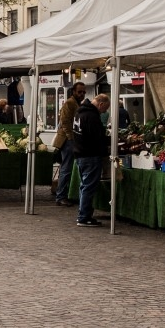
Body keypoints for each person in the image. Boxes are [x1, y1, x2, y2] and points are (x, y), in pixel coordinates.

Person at [72, 92, 109, 227]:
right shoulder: (92, 116)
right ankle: (84, 217)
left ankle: (83, 214)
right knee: (88, 186)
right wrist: (106, 148)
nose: (104, 112)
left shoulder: (79, 113)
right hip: (90, 155)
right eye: (105, 109)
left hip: (80, 154)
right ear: (101, 104)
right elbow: (97, 137)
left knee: (84, 185)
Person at [52, 81, 86, 206]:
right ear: (73, 92)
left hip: (70, 139)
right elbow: (65, 122)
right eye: (79, 92)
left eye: (83, 92)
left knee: (67, 168)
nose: (82, 94)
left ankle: (64, 194)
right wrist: (72, 139)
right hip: (67, 141)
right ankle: (60, 196)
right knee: (66, 168)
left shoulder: (76, 103)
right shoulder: (70, 103)